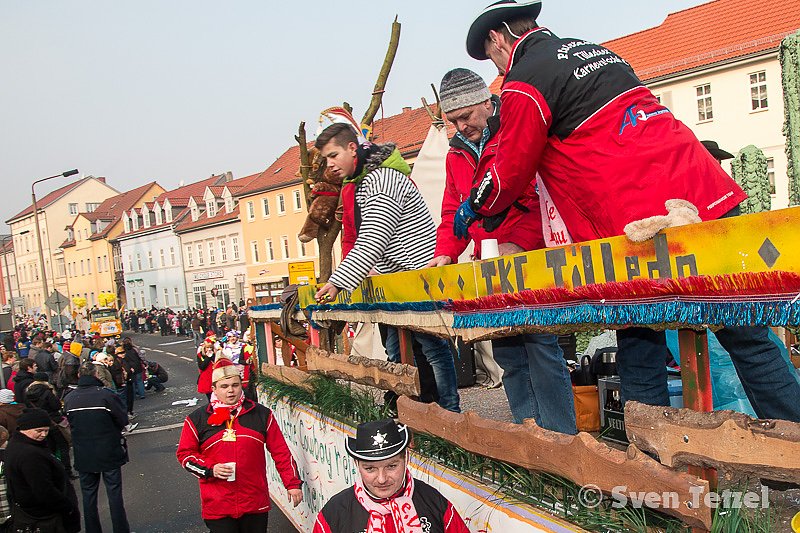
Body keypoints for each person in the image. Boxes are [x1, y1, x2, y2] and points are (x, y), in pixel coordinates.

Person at [461, 0, 800, 423]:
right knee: (750, 337)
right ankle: (792, 449)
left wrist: (476, 206)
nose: (497, 71)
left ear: (498, 39)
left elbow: (511, 168)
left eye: (493, 59)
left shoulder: (523, 80)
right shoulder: (596, 51)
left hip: (642, 221)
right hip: (701, 192)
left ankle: (652, 468)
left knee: (639, 346)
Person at [428, 67, 576, 432]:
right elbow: (453, 210)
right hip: (490, 264)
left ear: (485, 101)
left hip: (527, 259)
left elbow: (535, 193)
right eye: (453, 120)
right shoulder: (455, 155)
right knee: (508, 353)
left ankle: (561, 438)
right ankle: (527, 434)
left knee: (541, 347)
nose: (461, 126)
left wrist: (519, 243)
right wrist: (445, 252)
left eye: (465, 116)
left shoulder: (512, 133)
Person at [314, 123, 461, 413]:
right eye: (326, 159)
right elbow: (359, 237)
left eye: (333, 155)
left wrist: (338, 281)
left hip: (416, 275)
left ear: (352, 148)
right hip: (392, 281)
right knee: (397, 350)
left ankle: (449, 412)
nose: (330, 165)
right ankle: (411, 409)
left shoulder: (383, 180)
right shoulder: (360, 184)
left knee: (431, 348)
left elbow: (373, 237)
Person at [176, 359, 303, 532]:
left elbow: (280, 451)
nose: (230, 390)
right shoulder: (197, 419)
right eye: (224, 386)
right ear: (214, 389)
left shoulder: (261, 414)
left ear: (241, 386)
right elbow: (185, 455)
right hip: (218, 505)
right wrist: (211, 469)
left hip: (254, 501)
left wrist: (292, 484)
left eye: (235, 385)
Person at [313, 418, 469, 533]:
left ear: (406, 459)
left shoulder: (433, 501)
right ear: (356, 464)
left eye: (391, 466)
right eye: (370, 469)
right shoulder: (336, 511)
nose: (382, 479)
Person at [63, 362, 131, 533]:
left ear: (79, 375)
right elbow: (122, 419)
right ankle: (120, 529)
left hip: (83, 452)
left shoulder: (70, 398)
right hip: (108, 449)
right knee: (114, 494)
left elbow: (70, 423)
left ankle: (93, 529)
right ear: (95, 374)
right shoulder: (106, 396)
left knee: (88, 496)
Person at [5, 408, 81, 533]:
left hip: (31, 512)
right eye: (39, 431)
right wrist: (67, 507)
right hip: (44, 515)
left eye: (46, 430)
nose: (44, 434)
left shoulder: (18, 445)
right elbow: (43, 489)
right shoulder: (30, 455)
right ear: (25, 429)